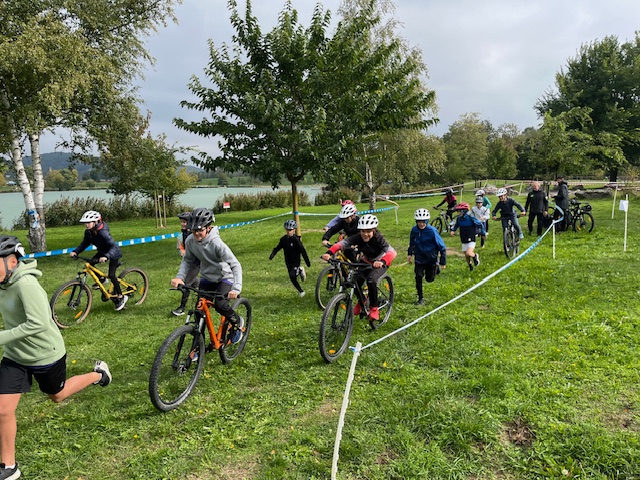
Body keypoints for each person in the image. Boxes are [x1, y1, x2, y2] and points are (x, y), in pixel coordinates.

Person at [0, 235, 111, 480]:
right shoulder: (3, 284)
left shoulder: (26, 285)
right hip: (15, 356)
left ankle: (98, 374)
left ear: (11, 262)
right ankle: (9, 466)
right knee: (3, 410)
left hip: (44, 354)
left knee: (57, 395)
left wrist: (2, 337)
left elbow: (38, 323)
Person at [170, 208, 245, 344]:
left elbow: (235, 264)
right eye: (193, 230)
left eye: (200, 230)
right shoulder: (190, 241)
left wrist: (236, 288)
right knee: (199, 312)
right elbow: (187, 260)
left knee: (221, 305)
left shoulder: (216, 243)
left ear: (208, 227)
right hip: (206, 278)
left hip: (224, 277)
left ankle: (237, 322)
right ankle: (198, 347)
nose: (196, 234)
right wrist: (180, 277)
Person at [321, 214, 396, 321]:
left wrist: (382, 261)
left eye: (368, 231)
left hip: (381, 261)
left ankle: (374, 308)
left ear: (374, 230)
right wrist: (329, 253)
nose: (365, 234)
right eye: (362, 231)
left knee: (371, 280)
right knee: (354, 282)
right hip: (366, 260)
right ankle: (362, 302)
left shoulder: (379, 239)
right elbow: (342, 244)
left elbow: (392, 252)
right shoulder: (358, 237)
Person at [69, 210, 127, 311]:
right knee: (90, 264)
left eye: (88, 222)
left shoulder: (103, 232)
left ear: (96, 222)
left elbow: (113, 246)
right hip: (102, 252)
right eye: (85, 223)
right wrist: (76, 251)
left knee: (111, 275)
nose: (86, 225)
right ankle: (102, 279)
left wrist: (107, 256)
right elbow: (84, 243)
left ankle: (121, 296)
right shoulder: (88, 232)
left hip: (113, 253)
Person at [407, 209, 446, 306]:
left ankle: (436, 267)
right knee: (418, 276)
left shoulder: (432, 231)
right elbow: (412, 242)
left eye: (423, 222)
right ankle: (420, 298)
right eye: (419, 222)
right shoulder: (414, 230)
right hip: (419, 258)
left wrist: (443, 261)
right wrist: (410, 254)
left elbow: (442, 247)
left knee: (429, 279)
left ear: (427, 221)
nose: (421, 224)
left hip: (431, 259)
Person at [269, 219, 311, 298]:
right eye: (287, 230)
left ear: (294, 230)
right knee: (292, 279)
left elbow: (303, 251)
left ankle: (300, 270)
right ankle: (301, 291)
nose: (289, 232)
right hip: (288, 261)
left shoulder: (296, 240)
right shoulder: (283, 240)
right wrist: (273, 254)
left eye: (290, 230)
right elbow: (277, 248)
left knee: (292, 275)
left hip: (296, 261)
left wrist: (307, 262)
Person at [171, 211, 200, 316]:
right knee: (192, 280)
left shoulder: (195, 234)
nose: (182, 224)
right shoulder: (182, 234)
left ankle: (182, 308)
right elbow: (181, 246)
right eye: (181, 222)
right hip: (189, 260)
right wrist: (183, 252)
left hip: (197, 261)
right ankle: (199, 284)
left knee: (186, 283)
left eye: (185, 222)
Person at [450, 202, 485, 271]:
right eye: (458, 211)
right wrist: (453, 230)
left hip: (471, 237)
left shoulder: (471, 218)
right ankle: (470, 266)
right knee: (466, 255)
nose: (458, 213)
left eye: (460, 211)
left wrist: (483, 233)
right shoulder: (459, 219)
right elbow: (456, 225)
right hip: (463, 238)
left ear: (465, 211)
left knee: (469, 252)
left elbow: (480, 224)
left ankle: (475, 256)